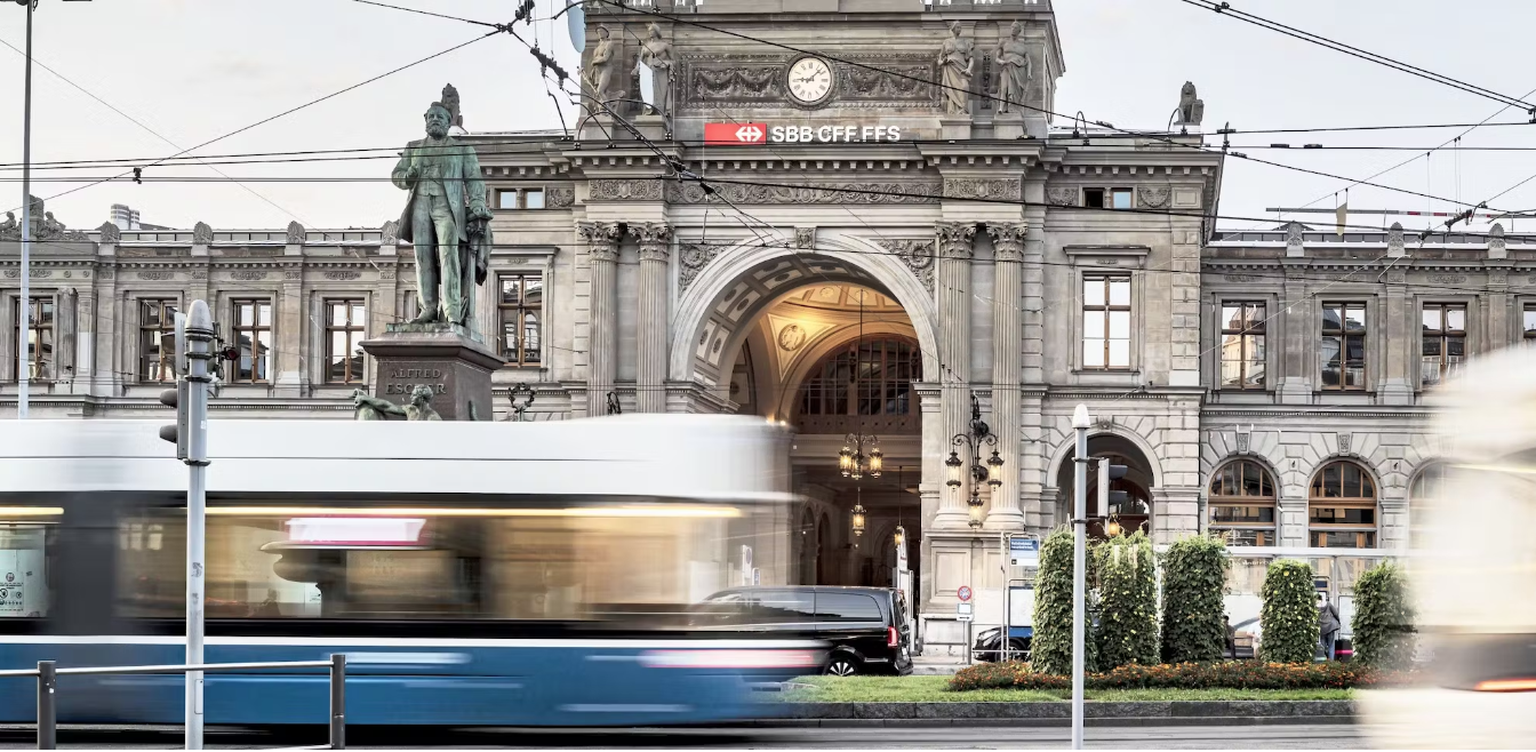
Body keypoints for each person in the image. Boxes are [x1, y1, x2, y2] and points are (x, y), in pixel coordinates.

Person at [1318, 592, 1341, 661]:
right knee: (1331, 645)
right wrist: (1338, 621)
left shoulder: (1316, 607)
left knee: (1322, 646)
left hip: (1322, 628)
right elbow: (1336, 613)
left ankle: (1323, 661)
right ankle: (1331, 662)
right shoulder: (1329, 604)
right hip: (1330, 627)